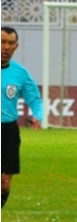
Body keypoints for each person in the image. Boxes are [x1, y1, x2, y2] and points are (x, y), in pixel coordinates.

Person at [2, 26, 43, 209]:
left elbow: (34, 98)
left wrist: (38, 115)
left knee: (4, 183)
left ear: (16, 47)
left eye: (10, 43)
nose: (6, 47)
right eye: (2, 42)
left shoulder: (20, 73)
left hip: (8, 131)